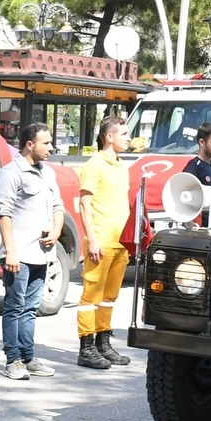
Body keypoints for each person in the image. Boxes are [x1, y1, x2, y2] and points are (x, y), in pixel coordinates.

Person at [0, 122, 64, 381]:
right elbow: (4, 213)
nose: (51, 147)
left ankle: (28, 356)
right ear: (29, 144)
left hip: (42, 255)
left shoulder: (48, 173)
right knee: (15, 306)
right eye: (46, 143)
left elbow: (58, 206)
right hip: (18, 255)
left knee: (31, 308)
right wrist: (10, 251)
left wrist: (56, 232)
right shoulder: (10, 173)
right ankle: (13, 360)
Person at [76, 116, 133, 371]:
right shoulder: (95, 164)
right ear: (109, 137)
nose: (128, 138)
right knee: (91, 296)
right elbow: (84, 204)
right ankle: (86, 347)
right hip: (101, 240)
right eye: (123, 133)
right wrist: (92, 239)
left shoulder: (123, 166)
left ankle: (103, 342)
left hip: (120, 243)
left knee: (109, 297)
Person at [182, 122, 211, 227]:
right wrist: (190, 223)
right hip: (201, 230)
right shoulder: (193, 167)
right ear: (202, 143)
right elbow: (185, 198)